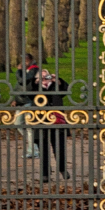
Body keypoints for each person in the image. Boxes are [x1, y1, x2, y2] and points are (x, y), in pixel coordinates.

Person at [21, 55, 69, 183]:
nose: (44, 79)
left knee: (59, 147)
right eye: (41, 77)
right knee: (43, 149)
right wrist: (35, 82)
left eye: (46, 76)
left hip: (56, 120)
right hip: (41, 120)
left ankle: (62, 169)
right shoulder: (36, 88)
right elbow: (26, 93)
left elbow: (66, 89)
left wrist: (57, 80)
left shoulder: (55, 86)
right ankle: (45, 173)